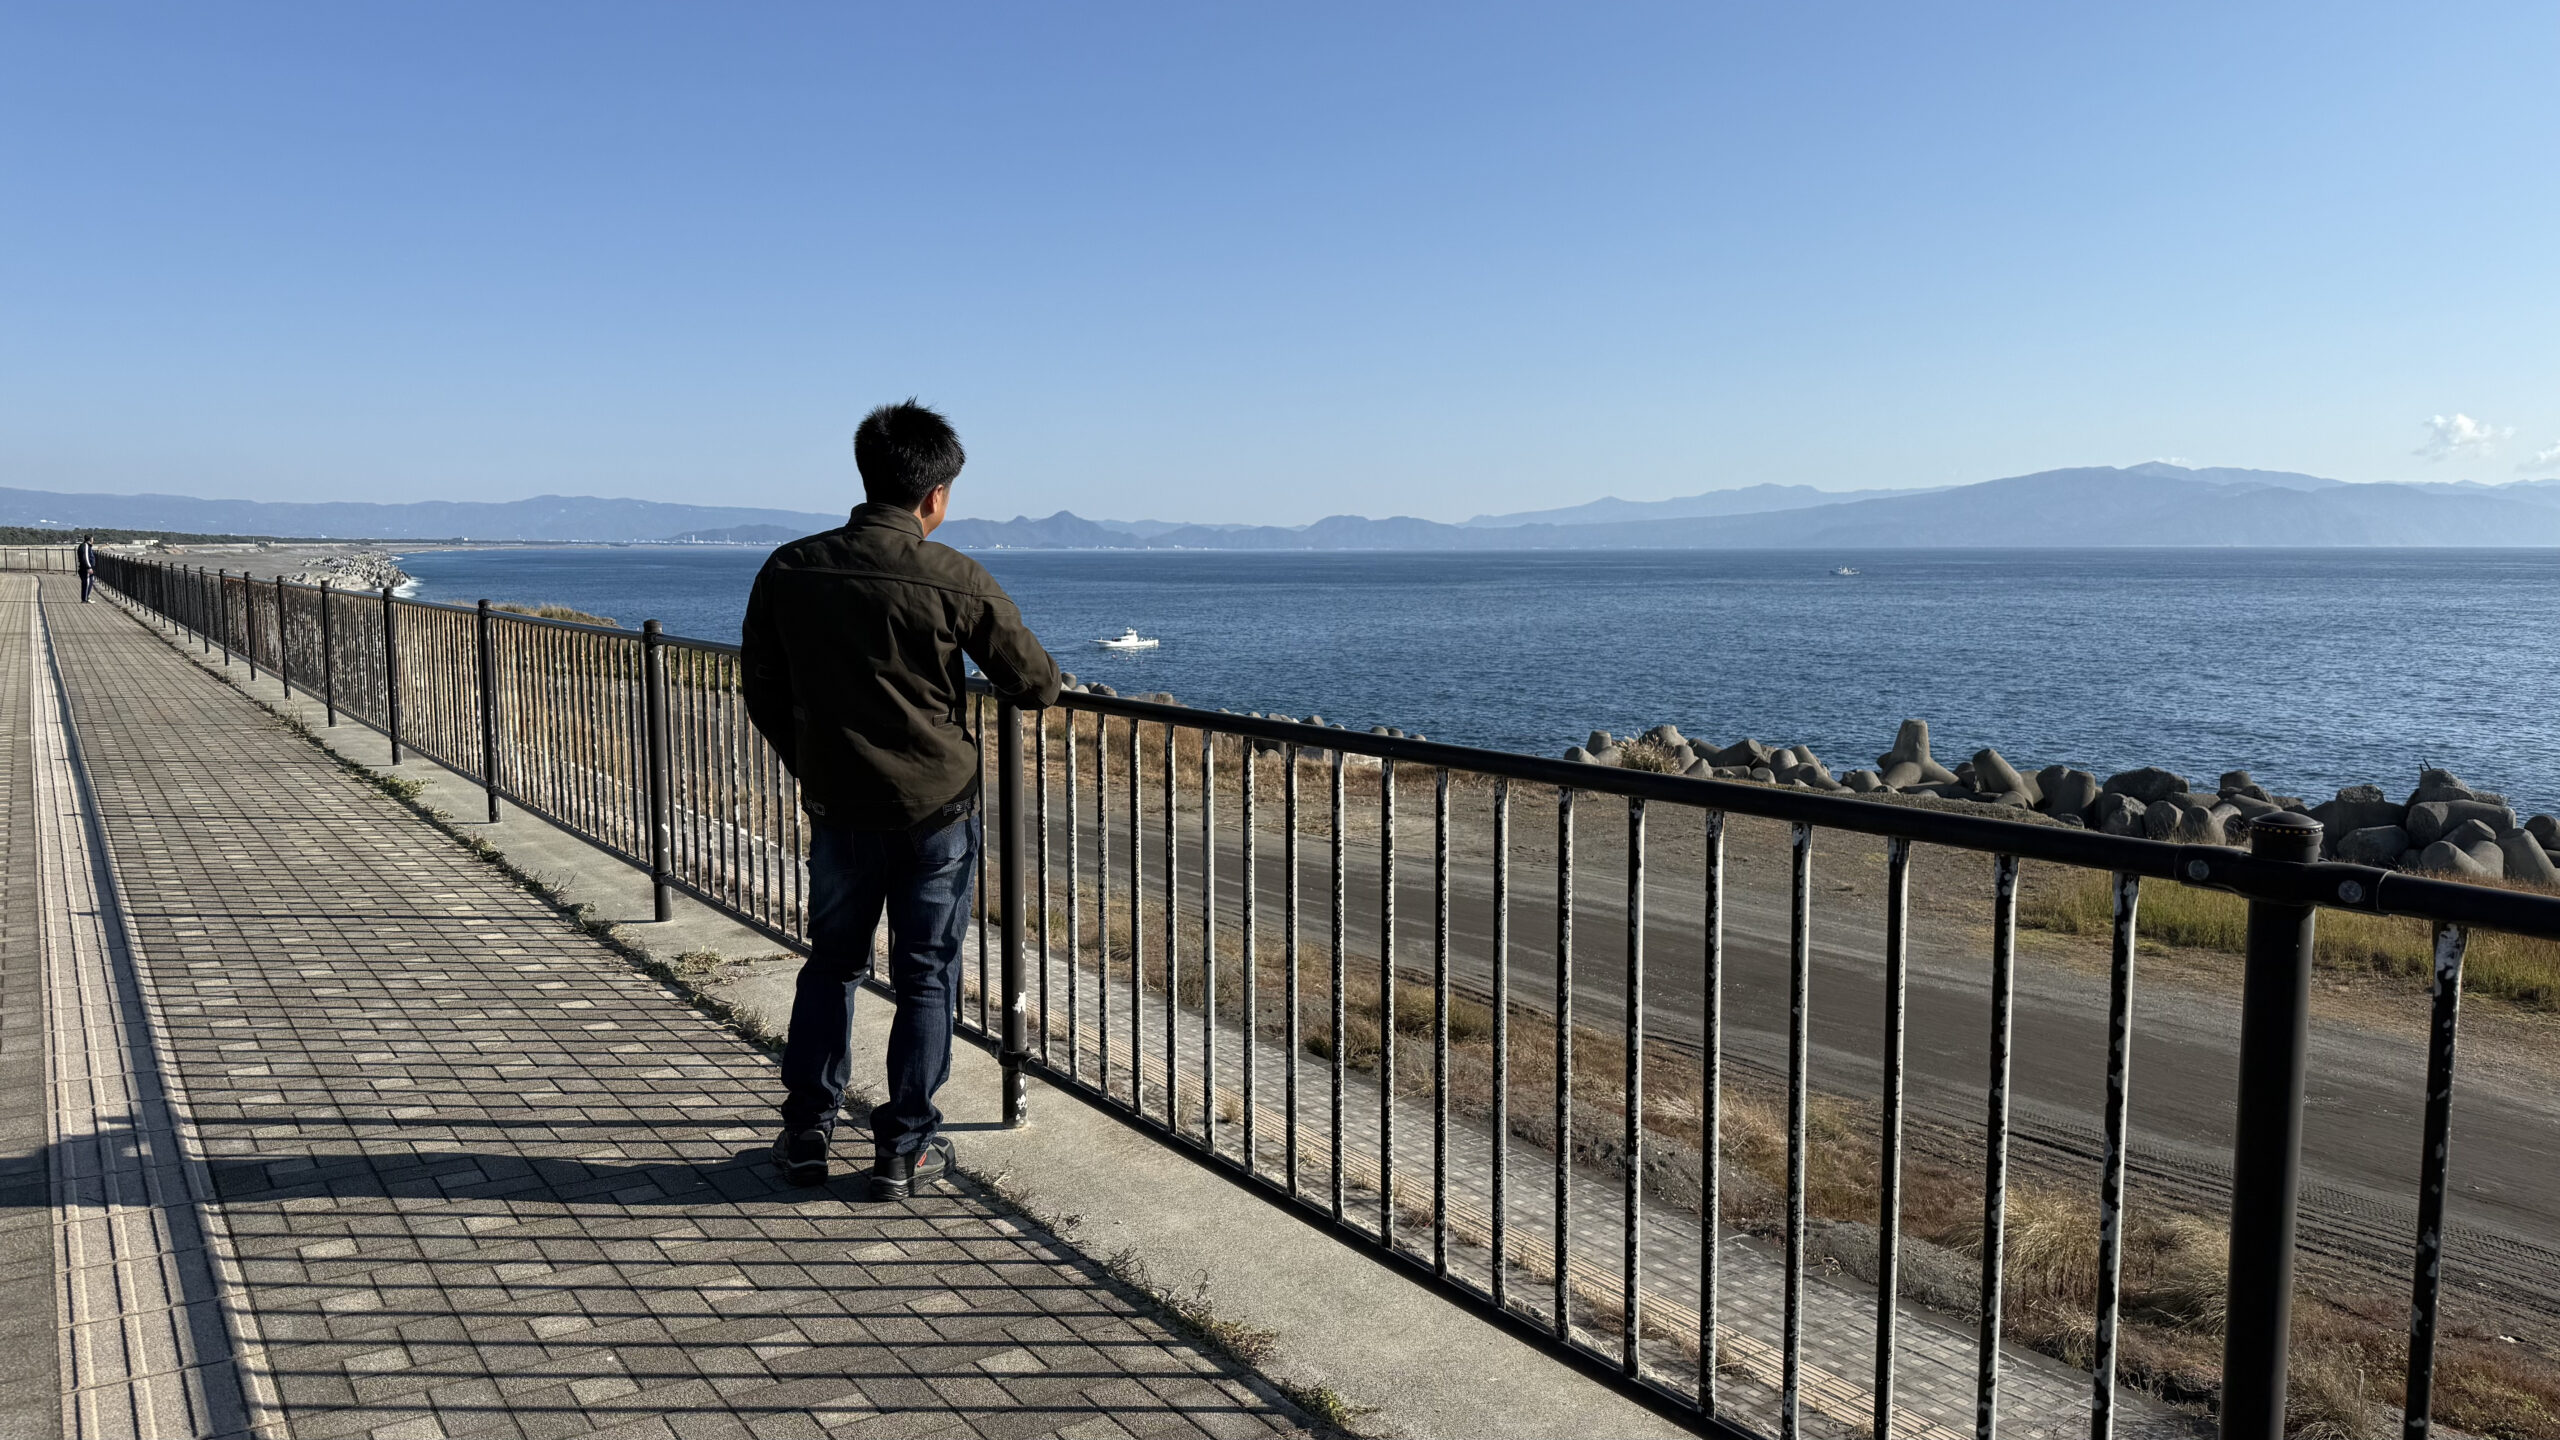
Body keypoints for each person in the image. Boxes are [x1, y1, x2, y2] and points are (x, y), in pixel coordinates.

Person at [741, 401, 1060, 1196]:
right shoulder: (956, 577)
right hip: (938, 810)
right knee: (925, 975)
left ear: (866, 474)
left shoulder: (792, 566)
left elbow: (763, 688)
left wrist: (814, 761)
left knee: (832, 968)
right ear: (934, 496)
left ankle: (806, 1134)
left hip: (839, 807)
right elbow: (1034, 683)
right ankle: (903, 1148)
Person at [77, 535, 96, 602]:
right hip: (85, 568)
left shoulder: (85, 546)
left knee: (90, 582)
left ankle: (87, 597)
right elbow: (85, 557)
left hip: (86, 567)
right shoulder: (85, 546)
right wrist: (89, 567)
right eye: (92, 539)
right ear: (90, 540)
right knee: (87, 583)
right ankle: (85, 599)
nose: (93, 541)